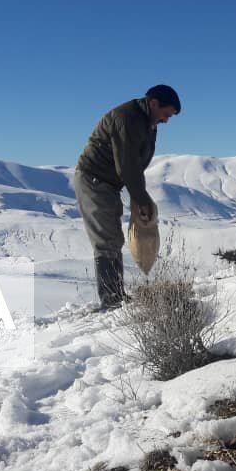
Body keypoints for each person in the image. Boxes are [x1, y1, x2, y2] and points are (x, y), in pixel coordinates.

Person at [74, 85, 181, 310]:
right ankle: (112, 300)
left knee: (113, 239)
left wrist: (139, 196)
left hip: (109, 183)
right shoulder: (128, 119)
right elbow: (128, 165)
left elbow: (134, 166)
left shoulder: (147, 122)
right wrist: (140, 199)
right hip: (94, 181)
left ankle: (116, 296)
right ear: (153, 103)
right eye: (166, 113)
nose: (166, 120)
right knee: (107, 241)